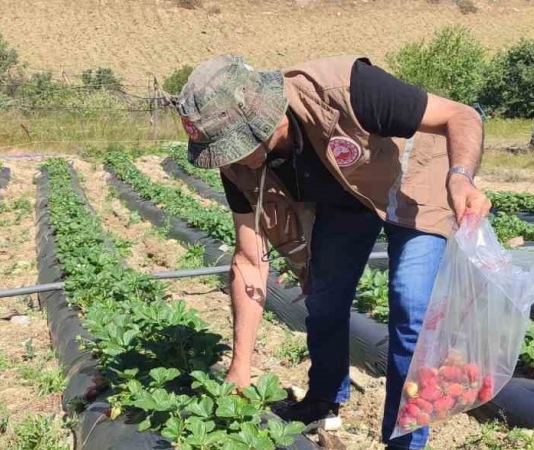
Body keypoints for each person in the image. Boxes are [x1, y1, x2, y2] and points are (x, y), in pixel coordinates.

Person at [173, 54, 491, 450]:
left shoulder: (347, 88)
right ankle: (323, 398)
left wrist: (460, 178)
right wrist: (240, 366)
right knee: (323, 297)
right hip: (348, 197)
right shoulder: (239, 166)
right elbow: (249, 261)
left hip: (416, 182)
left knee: (410, 304)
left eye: (233, 147)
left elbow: (461, 115)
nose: (230, 159)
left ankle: (404, 439)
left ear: (264, 121)